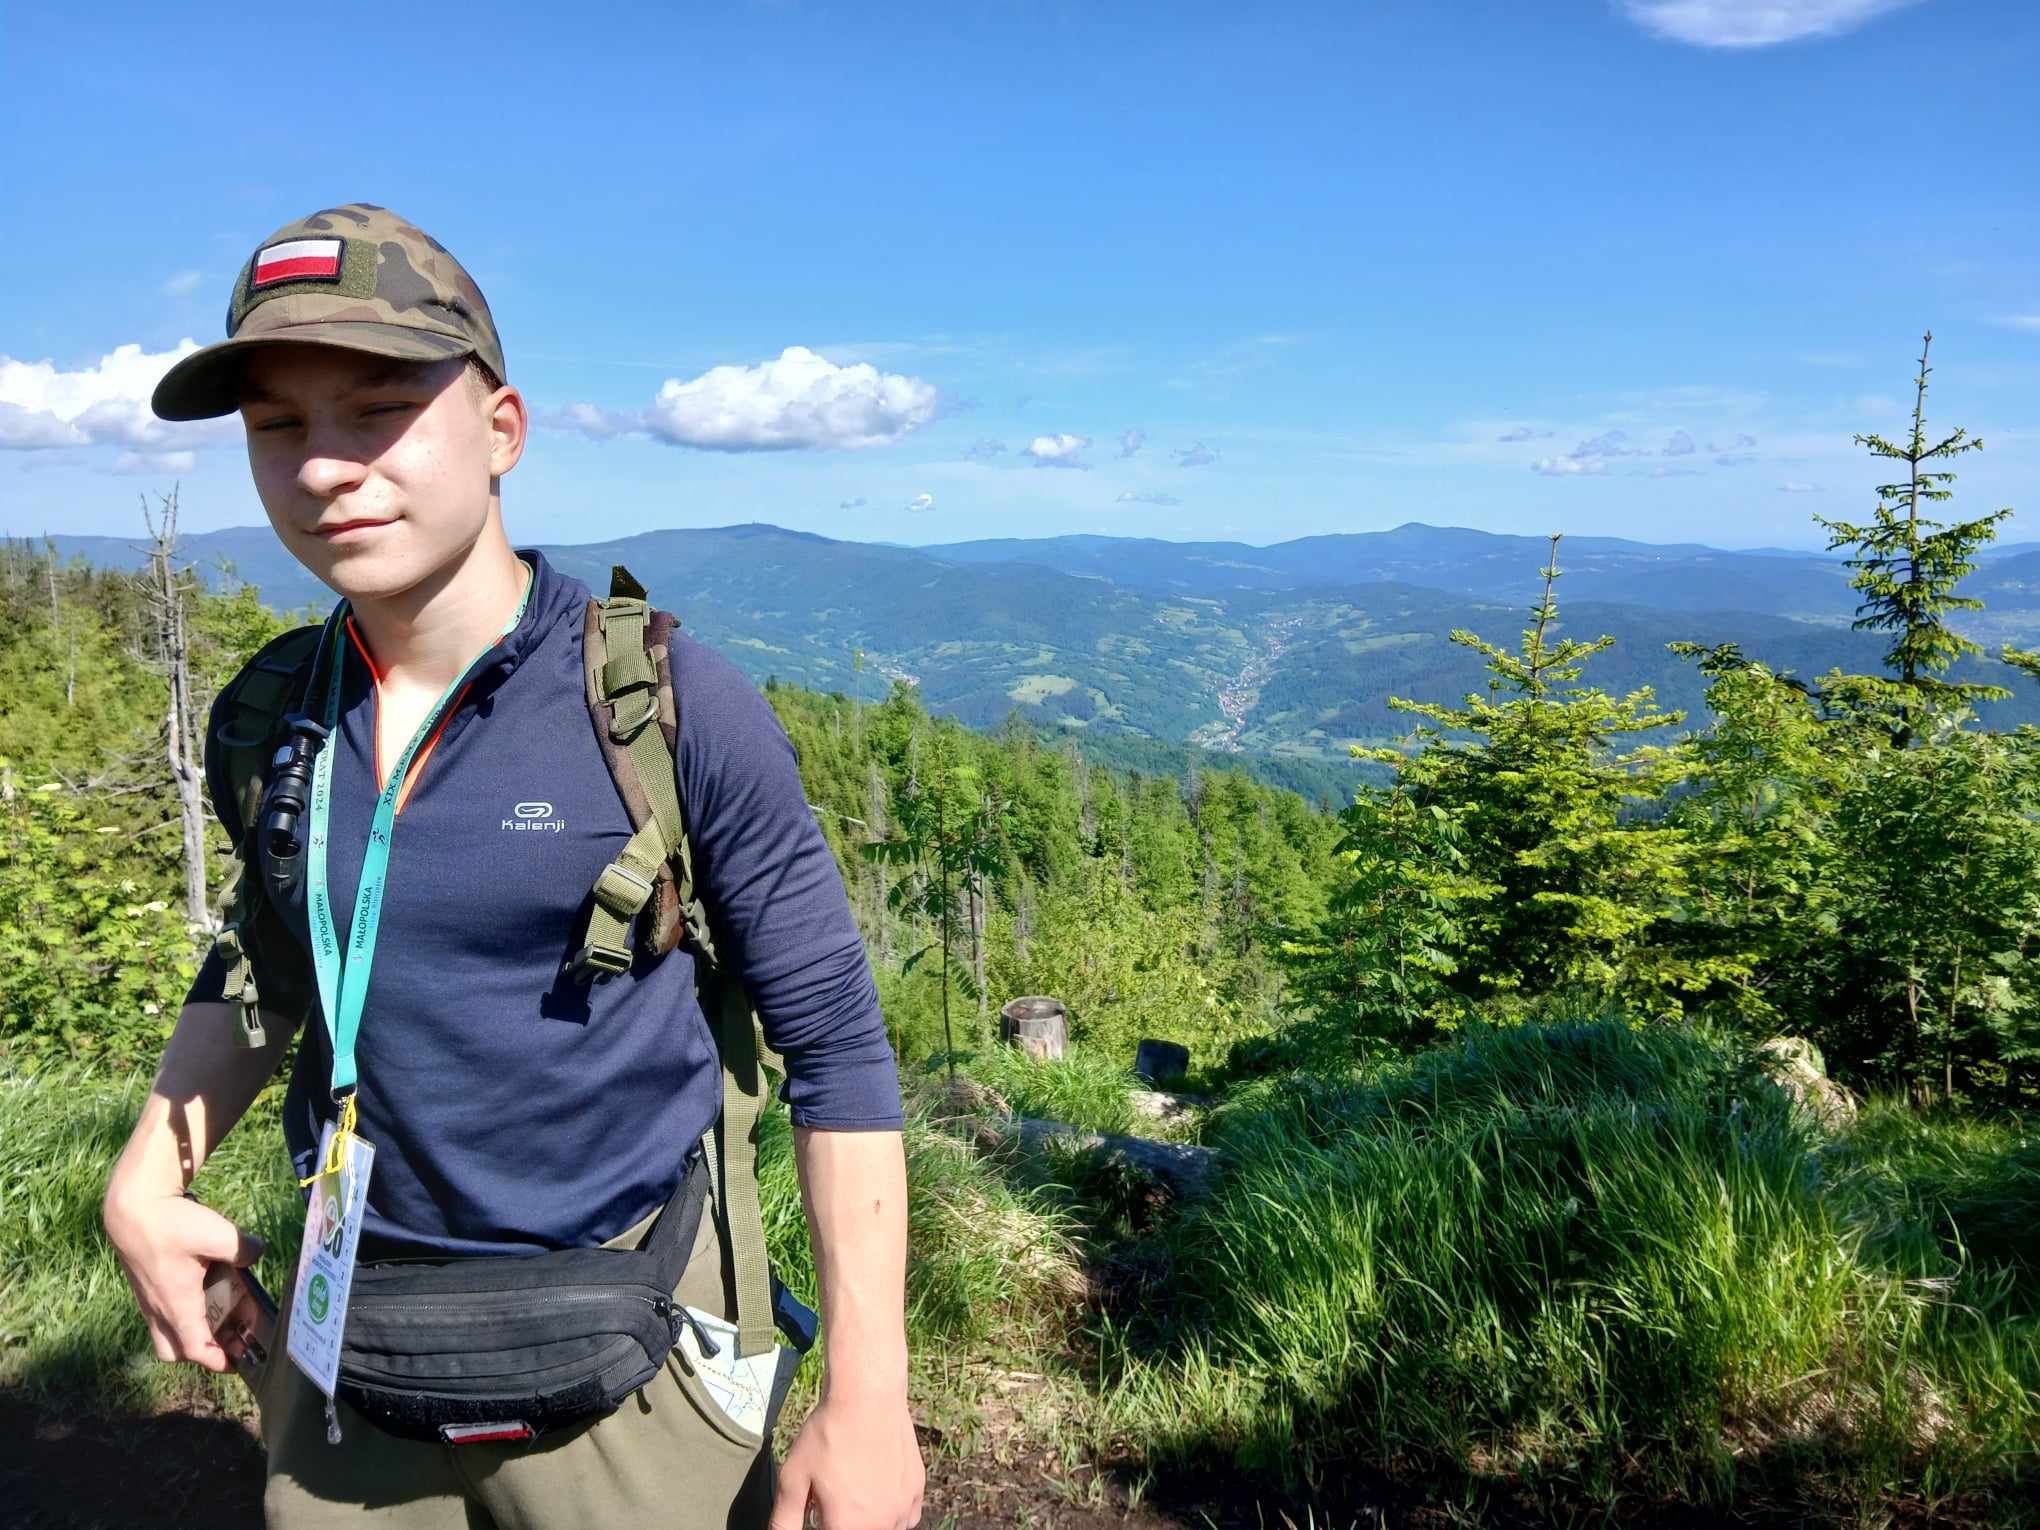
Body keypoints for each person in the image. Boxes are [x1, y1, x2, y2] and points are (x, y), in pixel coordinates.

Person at [100, 203, 925, 1530]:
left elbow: (836, 1048)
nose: (325, 467)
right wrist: (147, 1170)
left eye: (379, 409)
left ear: (503, 431)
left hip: (630, 1349)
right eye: (277, 425)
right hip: (349, 1343)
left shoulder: (665, 707)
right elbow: (270, 958)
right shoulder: (279, 718)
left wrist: (869, 1396)